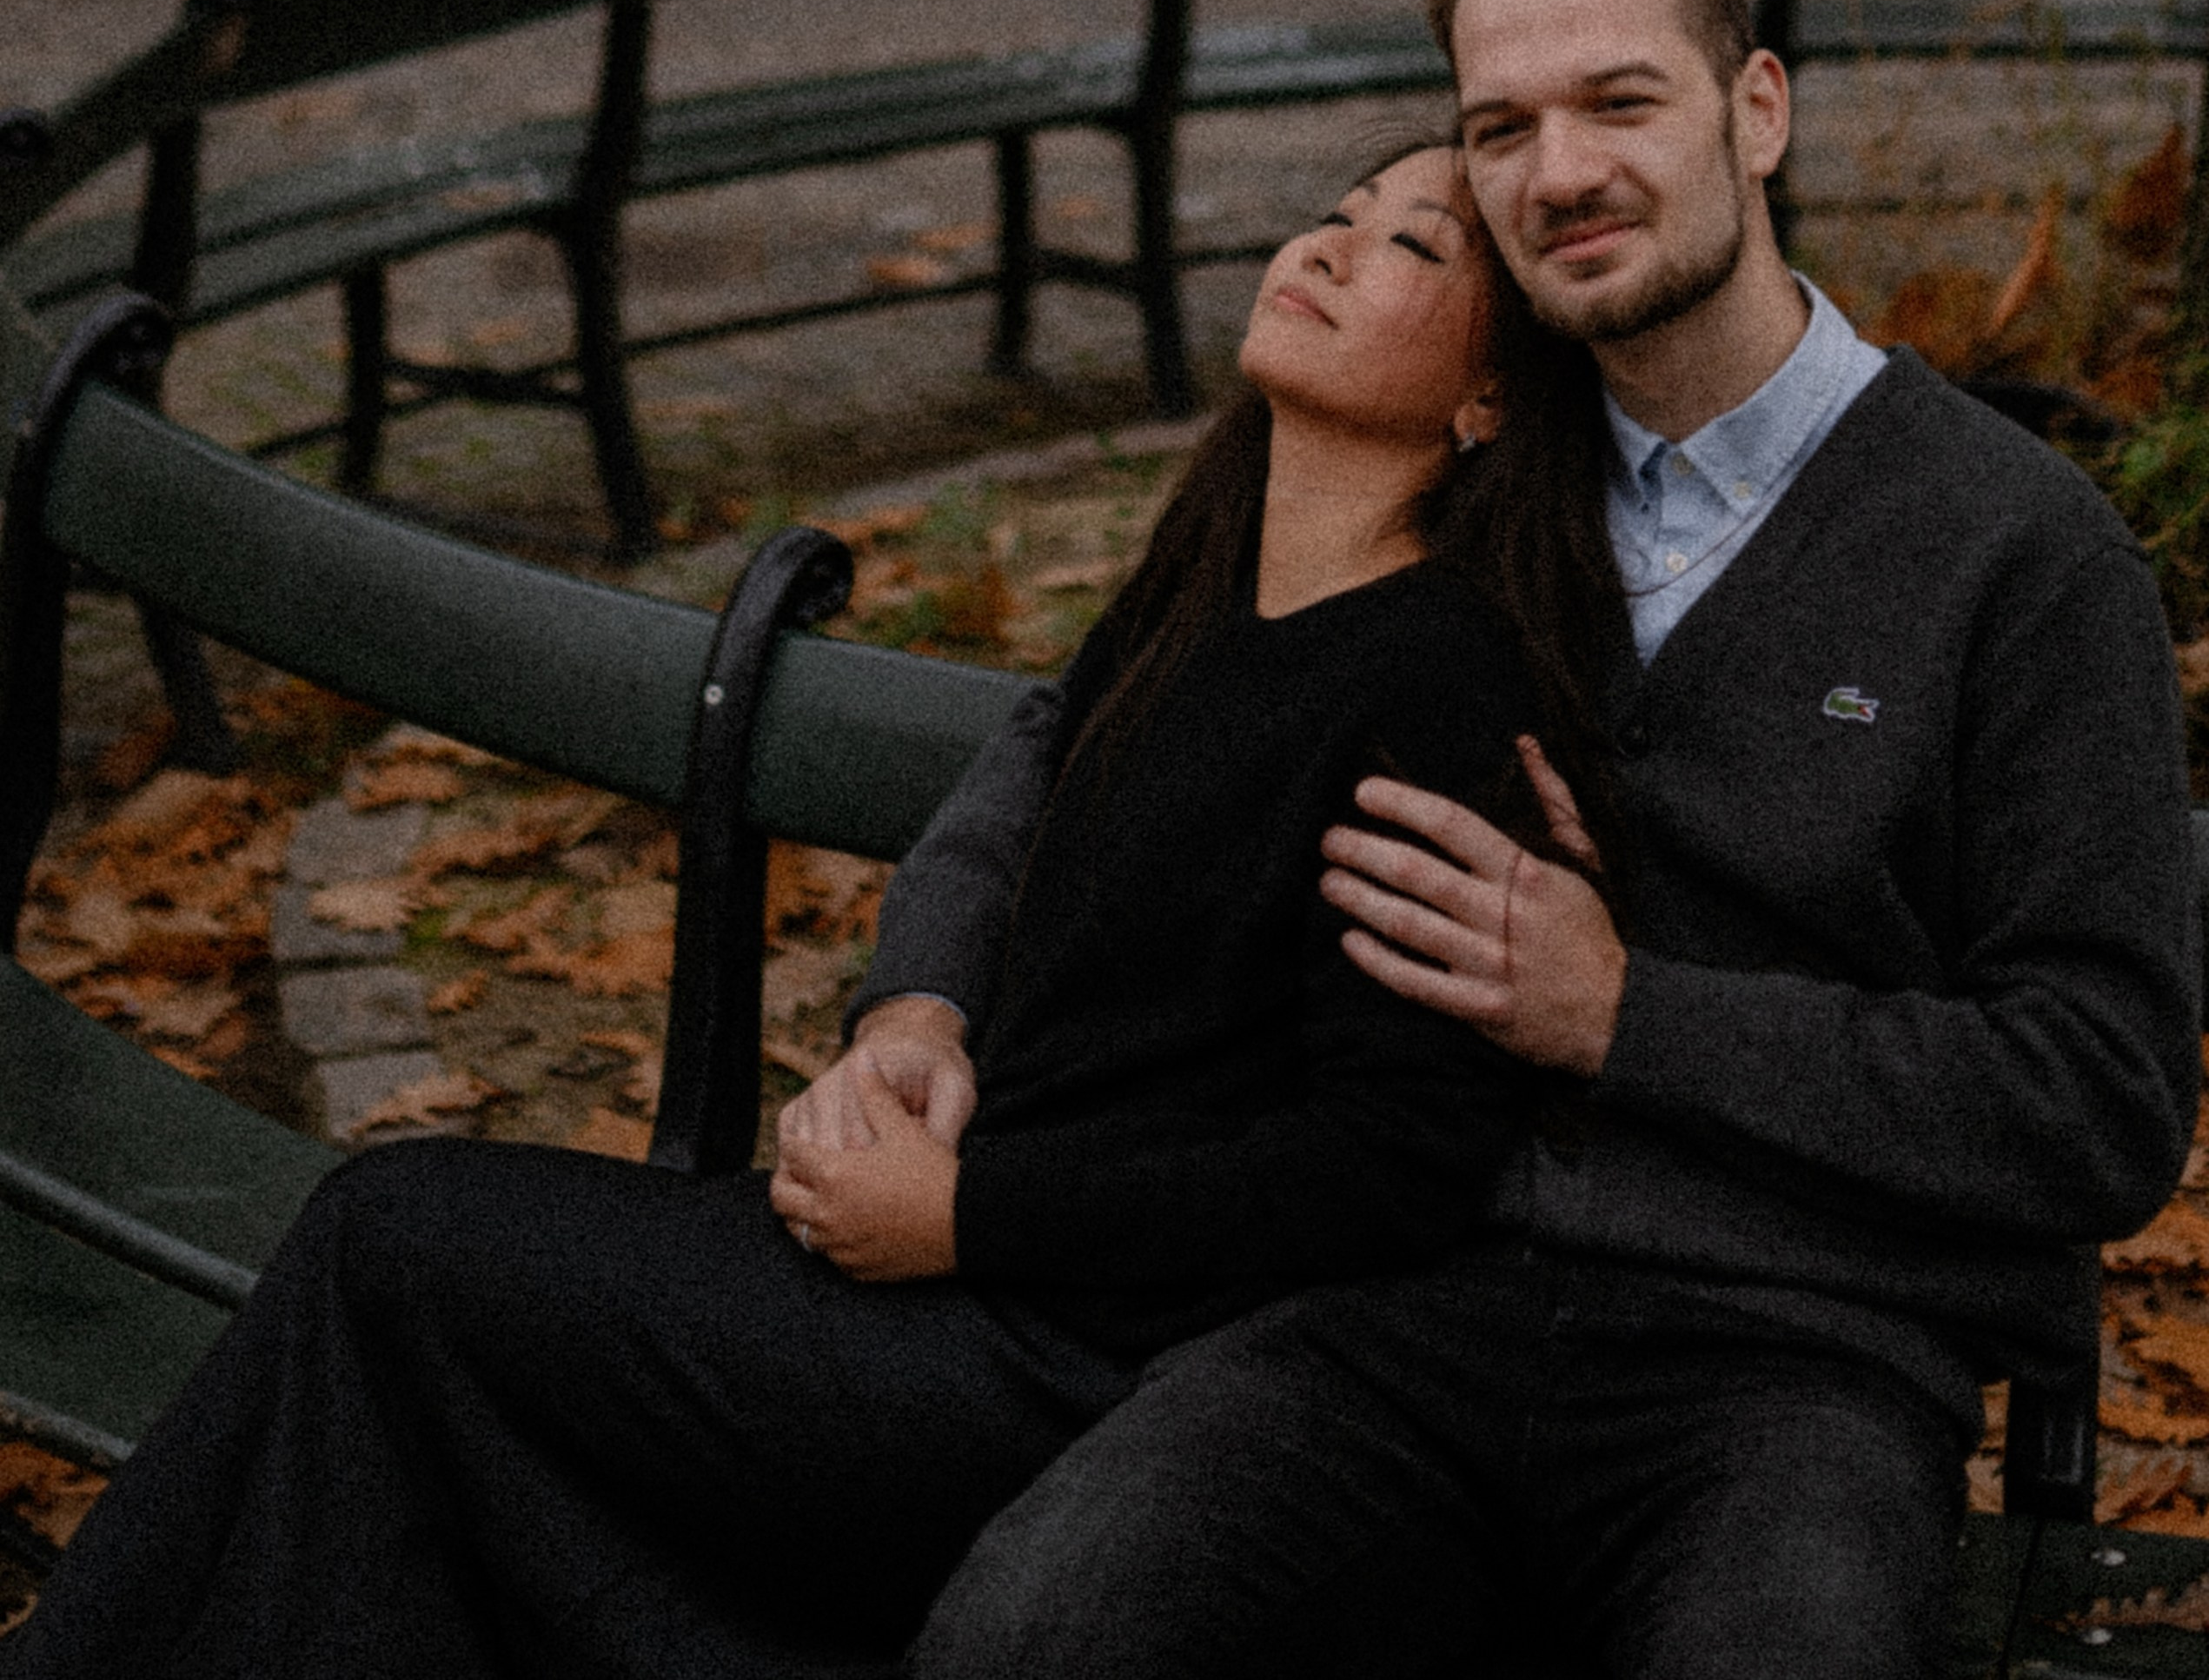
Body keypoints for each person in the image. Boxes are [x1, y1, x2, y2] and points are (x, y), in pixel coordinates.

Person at [810, 0, 2202, 1680]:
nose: (1557, 172)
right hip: (1382, 1305)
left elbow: (2092, 1096)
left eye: (1618, 102)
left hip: (1791, 1365)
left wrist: (1624, 1012)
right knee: (1035, 1638)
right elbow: (1079, 718)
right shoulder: (1453, 455)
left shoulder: (2011, 552)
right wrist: (919, 993)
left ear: (1754, 106)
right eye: (1498, 128)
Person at [10, 147, 1609, 1680]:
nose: (1326, 246)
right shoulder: (1213, 579)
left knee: (399, 1244)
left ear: (1489, 401)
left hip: (1068, 1371)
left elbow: (1388, 1168)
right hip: (958, 1278)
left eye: (1410, 245)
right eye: (1336, 210)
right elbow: (1050, 869)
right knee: (405, 1329)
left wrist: (971, 1220)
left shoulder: (1431, 688)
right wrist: (917, 1025)